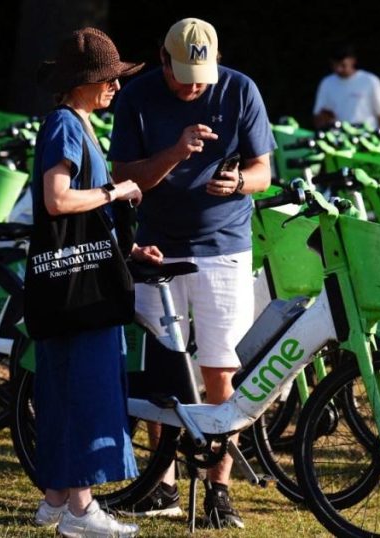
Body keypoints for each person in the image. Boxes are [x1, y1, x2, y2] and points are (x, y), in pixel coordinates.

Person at [108, 17, 276, 529]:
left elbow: (264, 173)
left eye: (202, 74)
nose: (194, 85)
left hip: (225, 246)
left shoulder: (240, 89)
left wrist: (238, 182)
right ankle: (162, 486)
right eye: (184, 74)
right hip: (157, 248)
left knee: (221, 369)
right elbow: (123, 177)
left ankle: (220, 489)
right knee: (164, 372)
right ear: (162, 60)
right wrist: (176, 152)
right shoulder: (137, 97)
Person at [27, 27, 163, 538]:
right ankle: (82, 512)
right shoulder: (66, 124)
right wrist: (116, 189)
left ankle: (56, 500)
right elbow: (57, 201)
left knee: (63, 388)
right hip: (80, 293)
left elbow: (77, 220)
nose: (116, 87)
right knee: (86, 390)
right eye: (108, 78)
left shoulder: (74, 122)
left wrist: (126, 248)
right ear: (82, 81)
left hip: (72, 282)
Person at [313, 44, 380, 130]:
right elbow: (318, 114)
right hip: (339, 137)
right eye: (335, 65)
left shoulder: (370, 81)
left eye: (343, 65)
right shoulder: (327, 83)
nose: (338, 69)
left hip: (367, 136)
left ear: (352, 61)